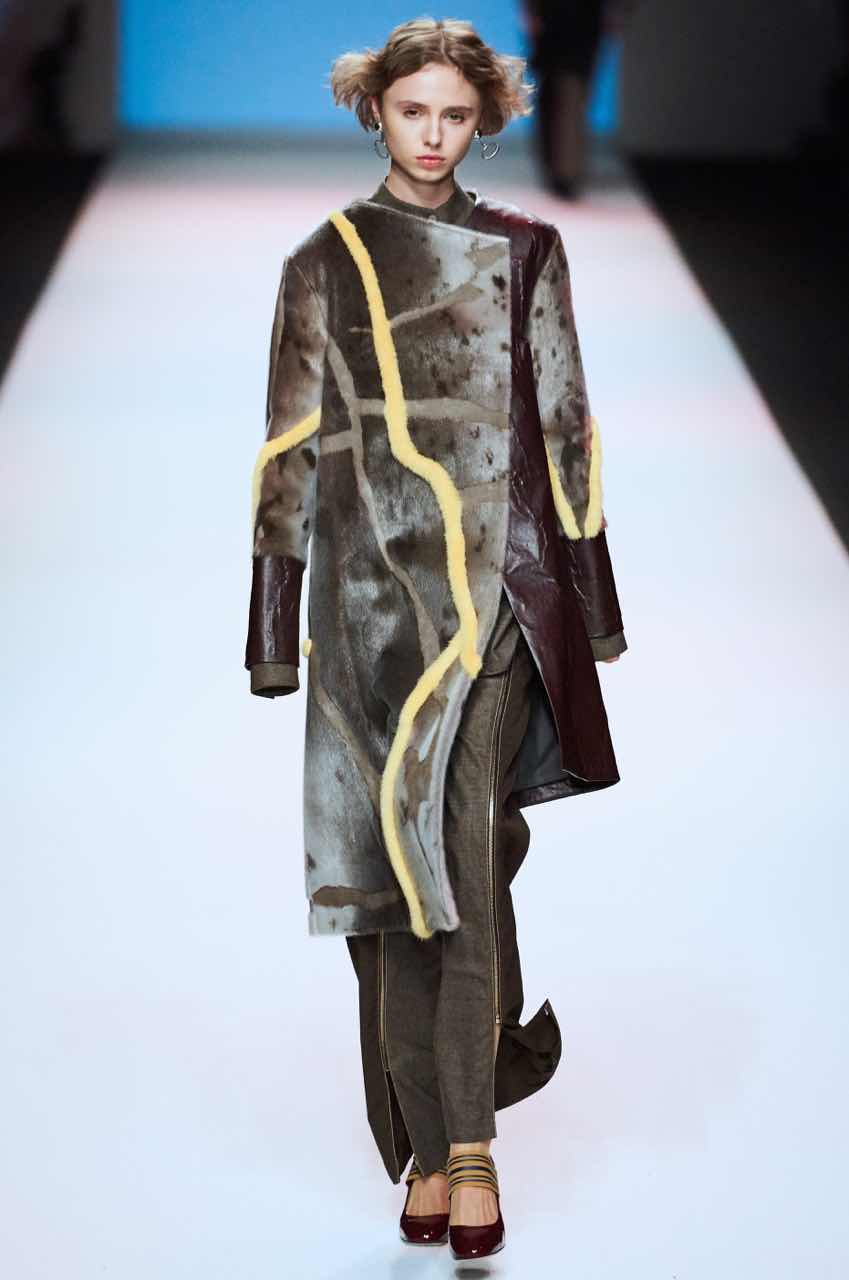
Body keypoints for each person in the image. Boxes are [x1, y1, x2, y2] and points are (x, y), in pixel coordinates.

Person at [244, 16, 627, 1261]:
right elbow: (286, 448)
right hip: (369, 614)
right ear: (377, 111)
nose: (432, 134)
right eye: (413, 110)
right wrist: (272, 623)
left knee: (456, 868)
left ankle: (469, 1151)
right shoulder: (325, 260)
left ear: (483, 122)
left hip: (496, 602)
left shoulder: (529, 251)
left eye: (455, 115)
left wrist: (593, 603)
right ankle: (423, 1141)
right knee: (389, 892)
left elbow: (566, 425)